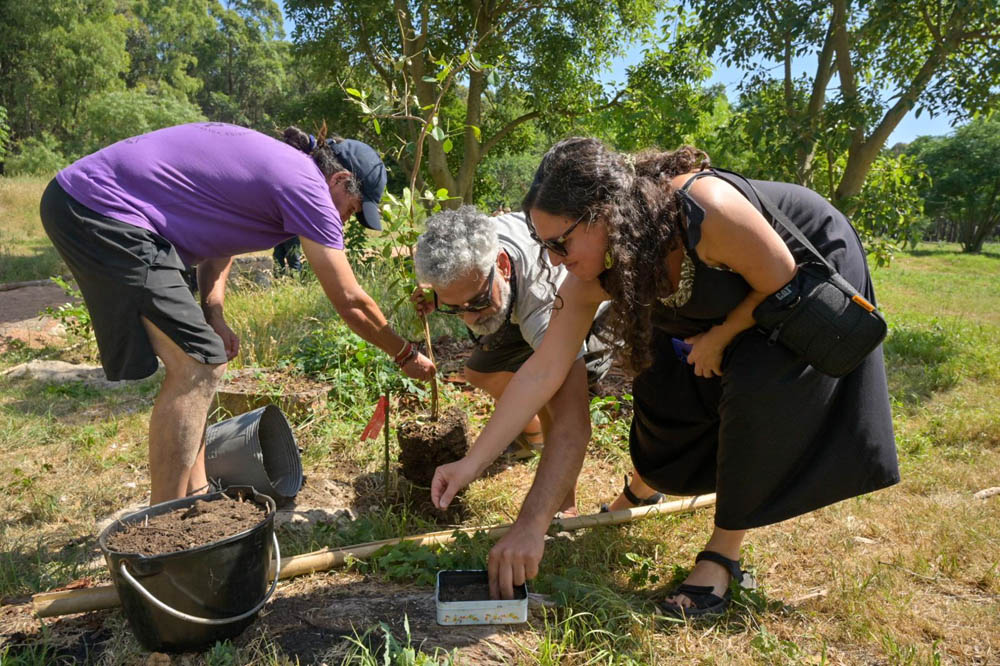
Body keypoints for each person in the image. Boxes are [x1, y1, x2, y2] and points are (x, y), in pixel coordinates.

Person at [430, 137, 899, 612]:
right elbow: (542, 372)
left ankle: (721, 558)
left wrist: (720, 337)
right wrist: (471, 464)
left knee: (753, 388)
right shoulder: (594, 270)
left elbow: (781, 278)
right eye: (543, 245)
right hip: (737, 292)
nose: (552, 259)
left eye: (560, 242)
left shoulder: (705, 209)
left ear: (605, 214)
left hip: (804, 280)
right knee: (661, 386)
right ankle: (645, 486)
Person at [40, 122, 435, 506]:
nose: (347, 221)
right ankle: (166, 522)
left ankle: (194, 501)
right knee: (198, 365)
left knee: (202, 359)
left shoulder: (282, 172)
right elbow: (349, 299)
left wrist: (214, 313)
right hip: (102, 208)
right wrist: (403, 353)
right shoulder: (307, 186)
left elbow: (221, 240)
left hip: (90, 203)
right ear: (339, 179)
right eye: (352, 209)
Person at [411, 205, 613, 518]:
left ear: (501, 265)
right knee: (479, 372)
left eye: (476, 301)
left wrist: (533, 521)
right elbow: (467, 295)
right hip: (512, 303)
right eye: (455, 308)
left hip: (572, 309)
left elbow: (572, 425)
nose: (469, 318)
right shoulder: (475, 250)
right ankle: (532, 436)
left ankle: (566, 506)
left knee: (555, 405)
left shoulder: (545, 304)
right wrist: (439, 297)